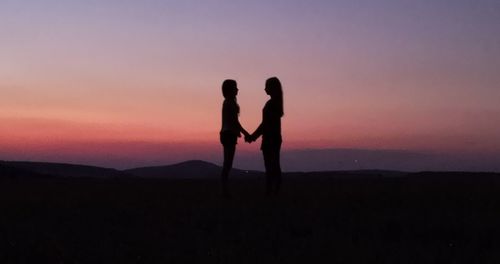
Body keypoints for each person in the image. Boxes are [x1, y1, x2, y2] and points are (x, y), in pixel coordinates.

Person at [248, 77, 284, 195]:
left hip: (270, 139)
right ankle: (274, 190)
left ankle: (271, 191)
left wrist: (253, 136)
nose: (264, 89)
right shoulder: (276, 104)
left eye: (267, 86)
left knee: (270, 166)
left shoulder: (271, 104)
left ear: (272, 88)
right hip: (274, 138)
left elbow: (265, 124)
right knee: (274, 165)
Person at [220, 79, 250, 198]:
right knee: (227, 164)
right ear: (230, 90)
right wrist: (246, 133)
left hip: (227, 134)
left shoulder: (228, 102)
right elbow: (235, 122)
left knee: (227, 163)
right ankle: (224, 191)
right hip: (228, 135)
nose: (237, 89)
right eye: (235, 87)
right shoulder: (229, 103)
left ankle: (224, 190)